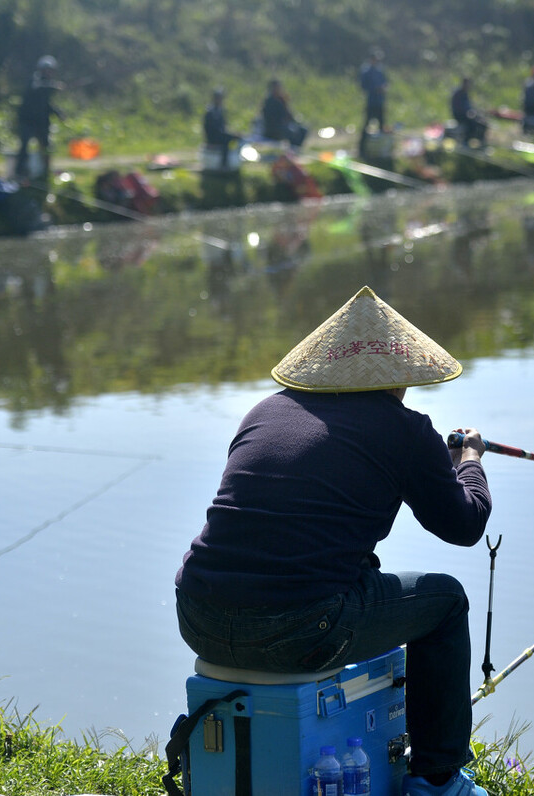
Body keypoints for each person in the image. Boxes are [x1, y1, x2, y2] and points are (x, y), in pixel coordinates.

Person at [175, 286, 492, 796]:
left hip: (197, 617)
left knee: (356, 574)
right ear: (401, 378)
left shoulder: (264, 411)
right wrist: (470, 461)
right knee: (447, 601)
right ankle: (437, 779)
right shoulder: (406, 429)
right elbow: (465, 525)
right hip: (301, 629)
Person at [15, 55, 64, 182]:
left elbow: (46, 104)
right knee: (24, 146)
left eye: (51, 70)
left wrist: (58, 113)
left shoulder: (47, 85)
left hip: (41, 122)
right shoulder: (34, 80)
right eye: (46, 70)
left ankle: (45, 172)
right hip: (28, 121)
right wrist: (53, 86)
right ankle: (19, 172)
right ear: (41, 69)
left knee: (46, 147)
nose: (49, 73)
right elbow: (37, 88)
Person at [260, 78, 307, 148]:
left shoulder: (281, 99)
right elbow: (272, 119)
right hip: (273, 128)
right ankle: (293, 149)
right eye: (276, 87)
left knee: (303, 129)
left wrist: (286, 103)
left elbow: (289, 115)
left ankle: (296, 149)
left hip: (283, 126)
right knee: (290, 132)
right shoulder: (269, 101)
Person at [358, 48, 389, 155]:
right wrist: (375, 89)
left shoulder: (380, 70)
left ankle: (382, 149)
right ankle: (361, 149)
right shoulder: (366, 71)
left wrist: (384, 88)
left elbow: (385, 83)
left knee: (382, 125)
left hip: (380, 101)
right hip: (371, 102)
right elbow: (363, 86)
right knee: (367, 124)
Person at [202, 89, 240, 170]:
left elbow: (223, 126)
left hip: (219, 134)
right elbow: (213, 128)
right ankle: (223, 164)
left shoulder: (219, 110)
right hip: (213, 136)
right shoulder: (211, 111)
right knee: (226, 141)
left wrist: (232, 133)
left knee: (233, 138)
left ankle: (232, 162)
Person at [450, 77, 487, 146]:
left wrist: (476, 113)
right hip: (460, 116)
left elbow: (470, 107)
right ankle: (465, 142)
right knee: (471, 123)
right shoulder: (459, 93)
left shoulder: (465, 94)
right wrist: (469, 113)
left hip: (467, 115)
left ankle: (481, 143)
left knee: (482, 123)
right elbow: (459, 108)